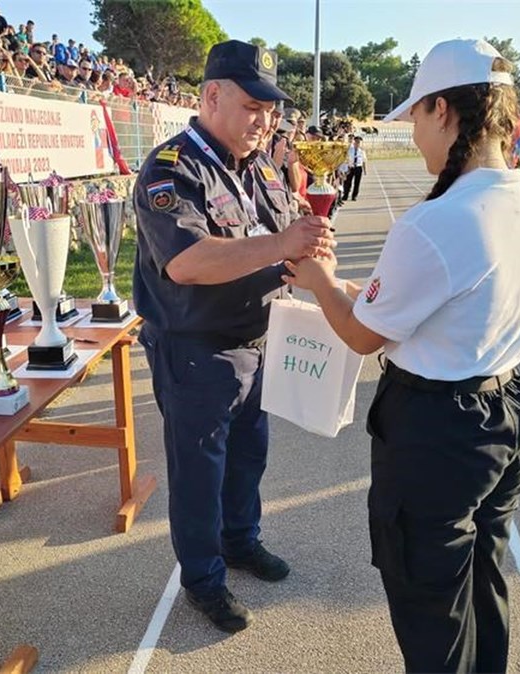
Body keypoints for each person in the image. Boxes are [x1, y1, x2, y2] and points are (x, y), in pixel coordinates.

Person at [283, 38, 520, 673]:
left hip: (439, 433)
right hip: (506, 413)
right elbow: (446, 305)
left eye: (415, 118)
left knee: (432, 610)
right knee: (483, 583)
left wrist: (320, 282)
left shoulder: (437, 221)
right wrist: (354, 292)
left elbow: (362, 336)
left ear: (442, 109)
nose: (414, 135)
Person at [133, 39, 335, 634]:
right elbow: (187, 262)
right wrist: (282, 244)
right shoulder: (172, 169)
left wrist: (310, 250)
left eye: (270, 111)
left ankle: (240, 541)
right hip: (198, 351)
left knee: (249, 456)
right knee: (199, 473)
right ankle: (203, 580)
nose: (264, 121)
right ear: (212, 96)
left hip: (259, 338)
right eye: (253, 107)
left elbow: (284, 232)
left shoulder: (262, 166)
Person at [342, 135, 367, 201]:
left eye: (359, 142)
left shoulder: (362, 151)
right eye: (356, 142)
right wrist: (345, 168)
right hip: (350, 167)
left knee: (357, 183)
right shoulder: (350, 150)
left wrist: (365, 170)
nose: (357, 144)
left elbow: (364, 161)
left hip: (358, 168)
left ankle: (354, 196)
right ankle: (345, 195)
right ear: (354, 142)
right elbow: (346, 159)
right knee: (347, 182)